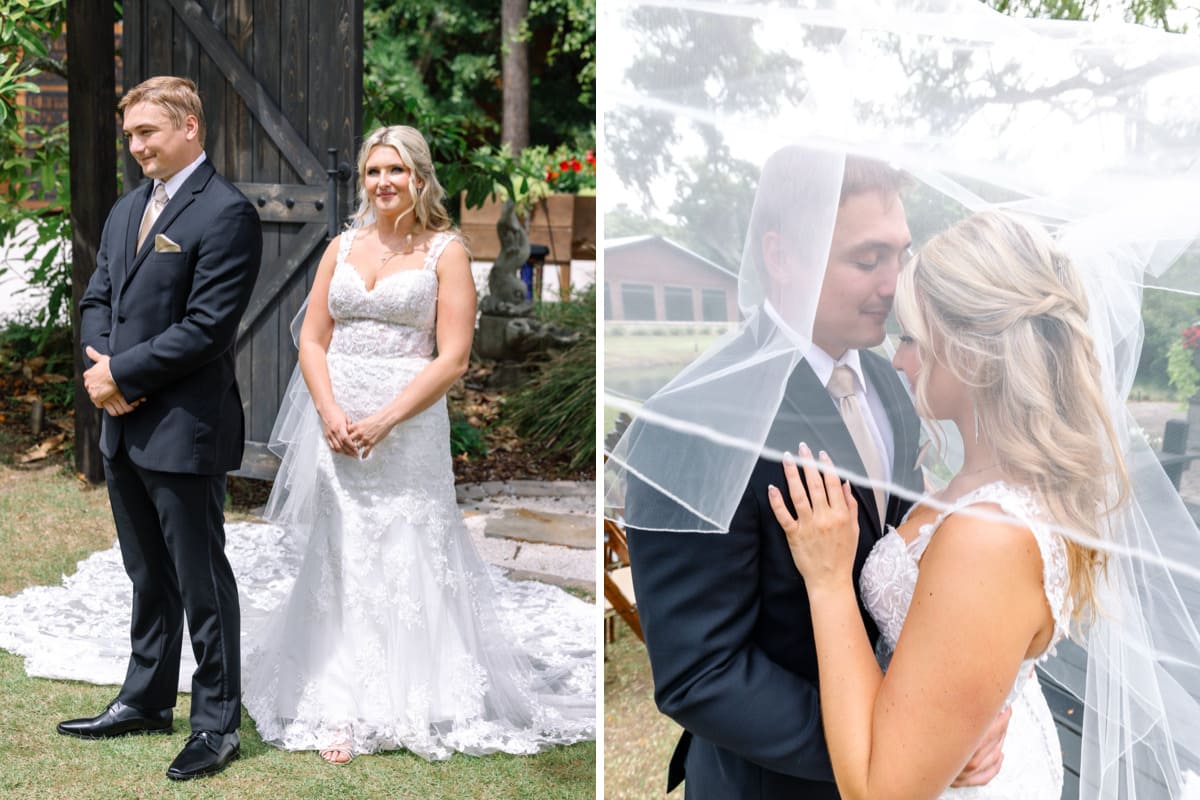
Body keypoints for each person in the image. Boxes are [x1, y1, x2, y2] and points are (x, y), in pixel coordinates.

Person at [615, 147, 1008, 799]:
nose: (896, 283)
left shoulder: (889, 379)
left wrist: (944, 721)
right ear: (781, 255)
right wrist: (898, 750)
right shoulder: (692, 420)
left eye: (901, 255)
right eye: (868, 259)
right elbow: (700, 670)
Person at [240, 125, 594, 763]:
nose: (382, 183)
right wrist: (330, 411)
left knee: (407, 543)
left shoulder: (447, 252)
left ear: (420, 178)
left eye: (395, 171)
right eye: (374, 171)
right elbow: (312, 339)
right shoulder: (341, 247)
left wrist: (382, 421)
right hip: (338, 422)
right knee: (340, 547)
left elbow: (453, 358)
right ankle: (337, 692)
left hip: (406, 427)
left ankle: (421, 691)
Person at [768, 209, 1128, 798]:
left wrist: (829, 578)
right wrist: (943, 738)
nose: (899, 358)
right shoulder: (989, 480)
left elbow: (879, 790)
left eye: (911, 336)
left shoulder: (988, 539)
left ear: (970, 351)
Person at [65, 75, 262, 781]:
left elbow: (208, 328)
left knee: (201, 579)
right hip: (122, 424)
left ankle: (216, 724)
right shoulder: (127, 211)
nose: (136, 146)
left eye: (147, 132)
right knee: (147, 574)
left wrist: (125, 375)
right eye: (130, 136)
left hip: (184, 426)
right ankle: (147, 700)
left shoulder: (227, 213)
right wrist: (102, 372)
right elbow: (97, 297)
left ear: (189, 128)